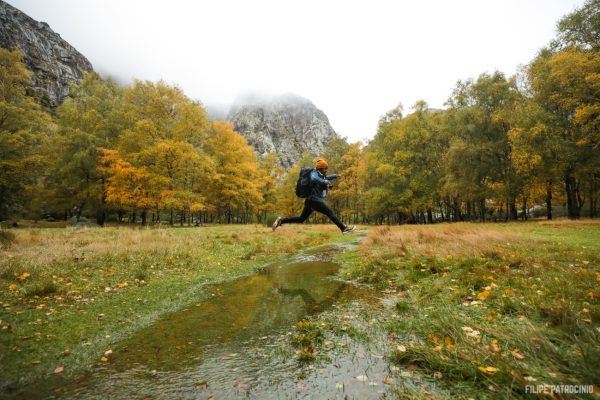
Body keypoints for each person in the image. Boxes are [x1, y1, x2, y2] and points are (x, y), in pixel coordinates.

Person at [272, 158, 356, 234]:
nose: (326, 170)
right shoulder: (314, 173)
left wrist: (334, 176)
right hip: (315, 200)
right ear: (321, 168)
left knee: (301, 219)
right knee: (330, 212)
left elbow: (325, 178)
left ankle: (281, 220)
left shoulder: (320, 174)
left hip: (310, 201)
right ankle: (344, 229)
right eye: (325, 168)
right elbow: (314, 178)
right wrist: (324, 182)